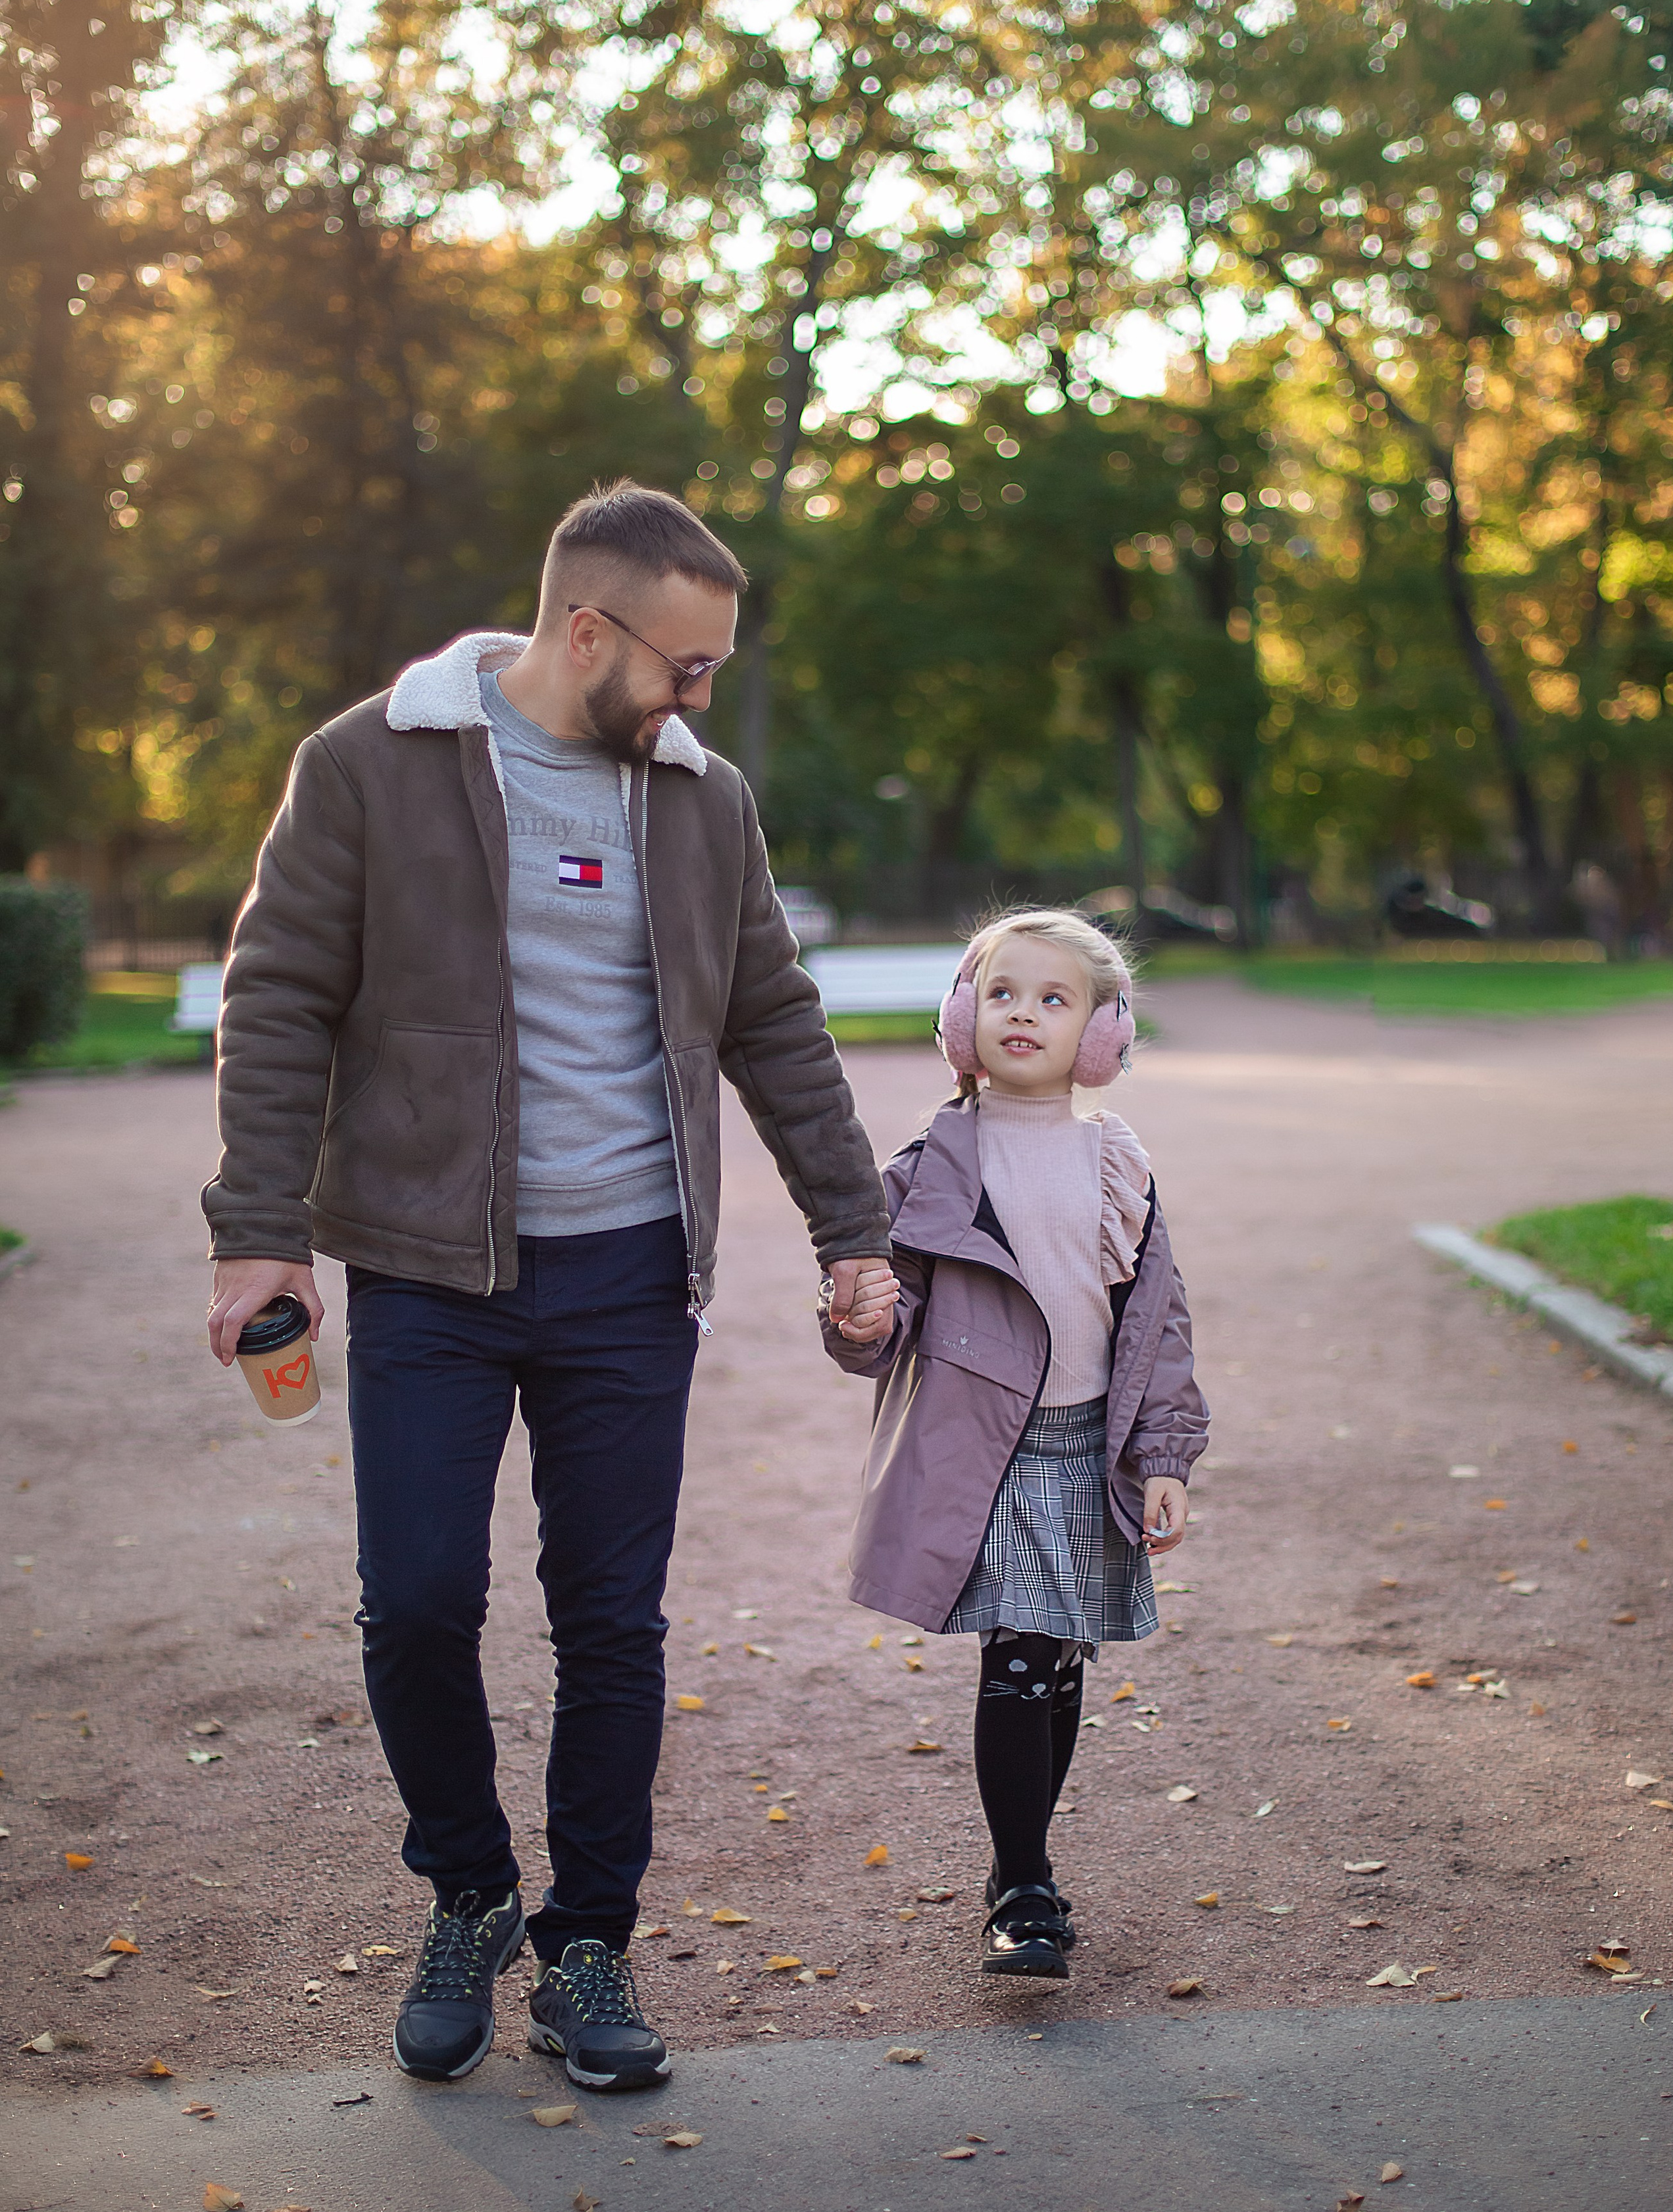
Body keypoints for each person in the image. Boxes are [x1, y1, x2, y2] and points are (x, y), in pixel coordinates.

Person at [203, 481, 899, 2089]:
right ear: (586, 629)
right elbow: (283, 994)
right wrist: (258, 1228)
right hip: (430, 1274)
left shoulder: (700, 798)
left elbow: (772, 1022)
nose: (699, 698)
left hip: (630, 1274)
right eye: (685, 665)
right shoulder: (371, 764)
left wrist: (847, 1229)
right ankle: (467, 1892)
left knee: (609, 1621)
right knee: (420, 1603)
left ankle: (589, 1945)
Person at [822, 907, 1208, 1978]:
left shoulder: (1118, 1162)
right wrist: (856, 1315)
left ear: (1101, 1035)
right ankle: (1027, 1881)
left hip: (1092, 1449)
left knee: (1060, 1655)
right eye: (1002, 994)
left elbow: (1158, 1321)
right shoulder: (933, 1165)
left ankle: (1019, 1870)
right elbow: (884, 1314)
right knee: (1023, 1652)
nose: (1024, 1014)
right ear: (963, 1018)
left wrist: (1164, 1455)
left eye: (1055, 999)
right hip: (989, 1452)